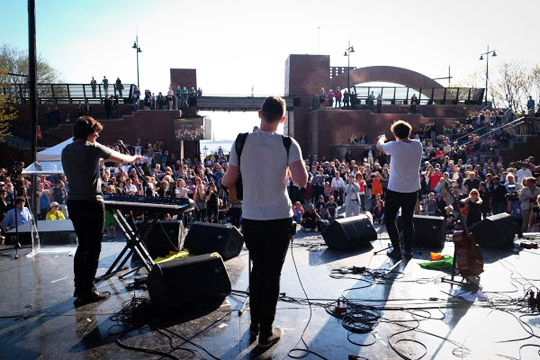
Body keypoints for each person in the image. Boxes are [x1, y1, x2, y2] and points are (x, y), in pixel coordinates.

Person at [222, 96, 307, 349]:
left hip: (252, 218)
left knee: (257, 270)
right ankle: (266, 332)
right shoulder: (288, 143)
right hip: (280, 217)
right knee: (272, 274)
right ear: (282, 119)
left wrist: (224, 185)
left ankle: (255, 324)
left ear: (260, 113)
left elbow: (230, 178)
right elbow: (302, 181)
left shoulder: (241, 141)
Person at [61, 116, 143, 307]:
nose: (97, 135)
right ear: (89, 133)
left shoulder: (66, 150)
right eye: (96, 132)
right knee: (94, 247)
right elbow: (119, 158)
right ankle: (88, 290)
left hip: (73, 202)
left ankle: (79, 287)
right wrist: (134, 158)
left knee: (83, 245)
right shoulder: (92, 148)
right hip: (91, 202)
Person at [377, 120, 423, 260]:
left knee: (390, 219)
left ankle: (397, 249)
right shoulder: (418, 145)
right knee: (408, 221)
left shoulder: (394, 146)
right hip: (412, 190)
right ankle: (408, 250)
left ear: (395, 134)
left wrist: (382, 137)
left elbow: (379, 146)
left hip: (395, 190)